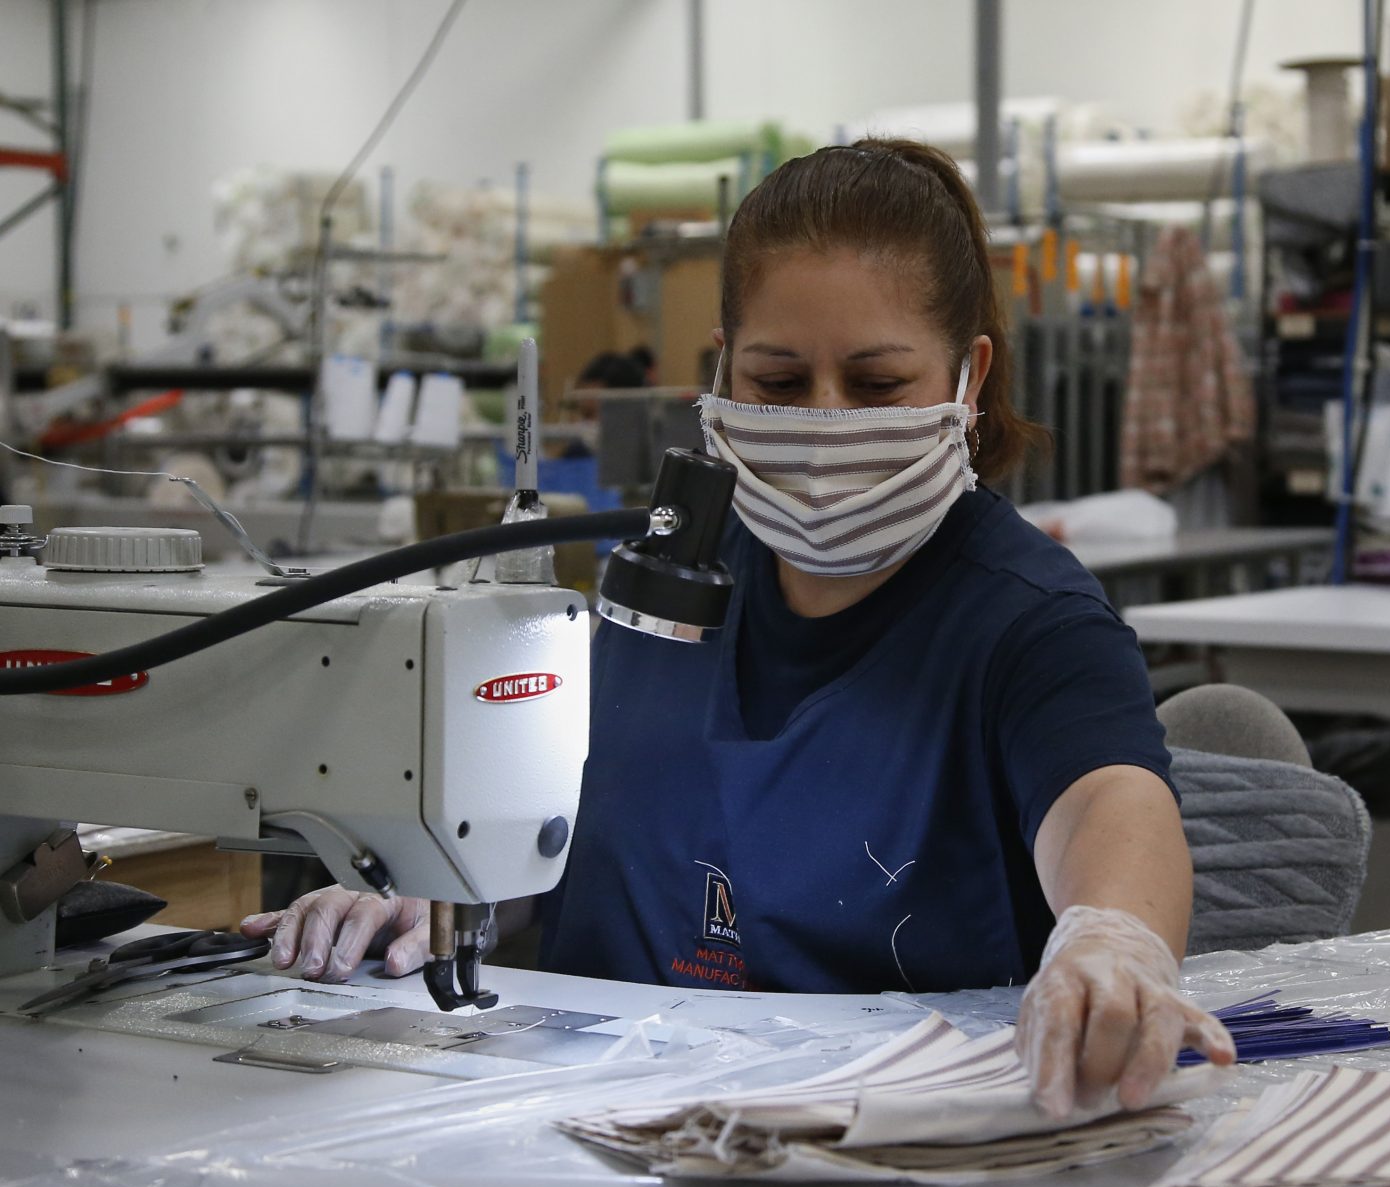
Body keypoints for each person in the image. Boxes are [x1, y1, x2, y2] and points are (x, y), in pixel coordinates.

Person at [240, 139, 1235, 1118]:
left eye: (878, 383)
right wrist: (443, 890)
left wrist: (1114, 939)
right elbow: (559, 835)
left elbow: (1113, 805)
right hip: (592, 1144)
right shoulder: (663, 590)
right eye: (779, 381)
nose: (827, 423)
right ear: (722, 372)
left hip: (874, 1167)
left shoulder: (1028, 623)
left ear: (966, 380)